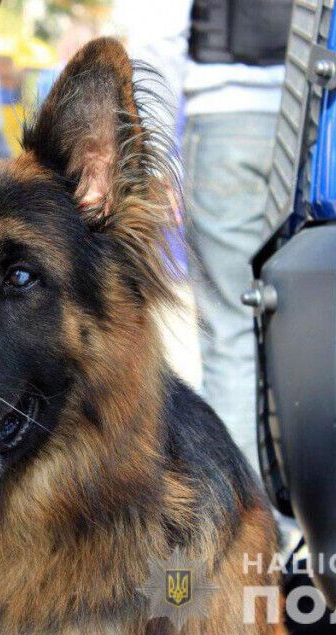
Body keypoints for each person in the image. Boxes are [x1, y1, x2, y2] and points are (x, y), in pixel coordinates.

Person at [116, 0, 290, 472]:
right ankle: (315, 511)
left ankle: (252, 511)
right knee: (309, 316)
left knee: (232, 326)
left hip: (228, 115)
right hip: (322, 110)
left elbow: (159, 30)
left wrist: (143, 162)